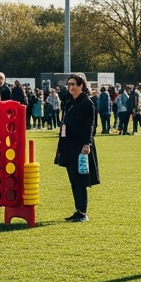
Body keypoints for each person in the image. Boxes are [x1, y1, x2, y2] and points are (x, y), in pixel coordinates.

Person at [55, 73, 98, 222]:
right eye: (69, 84)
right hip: (68, 145)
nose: (70, 87)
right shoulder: (69, 102)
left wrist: (87, 144)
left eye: (73, 84)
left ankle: (83, 212)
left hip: (80, 146)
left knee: (80, 180)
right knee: (73, 179)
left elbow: (90, 126)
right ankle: (78, 209)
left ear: (81, 86)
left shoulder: (86, 103)